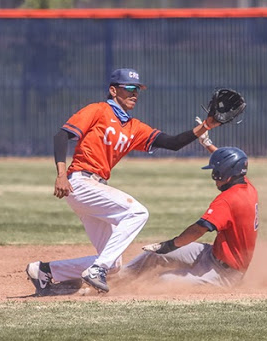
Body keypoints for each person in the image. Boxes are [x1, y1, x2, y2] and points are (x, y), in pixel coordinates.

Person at [25, 68, 222, 295]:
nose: (134, 94)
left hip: (95, 186)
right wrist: (60, 174)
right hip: (80, 182)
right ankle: (96, 269)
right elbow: (61, 135)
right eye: (129, 88)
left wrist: (206, 125)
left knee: (115, 264)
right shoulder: (97, 110)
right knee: (138, 213)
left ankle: (45, 271)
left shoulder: (133, 127)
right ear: (113, 90)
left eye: (137, 89)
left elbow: (173, 142)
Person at [122, 142, 259, 288]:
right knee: (155, 254)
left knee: (163, 281)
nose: (214, 177)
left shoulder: (228, 200)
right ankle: (116, 278)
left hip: (225, 274)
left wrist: (170, 245)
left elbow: (199, 229)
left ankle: (124, 289)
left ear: (227, 174)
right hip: (211, 254)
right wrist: (208, 145)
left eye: (217, 173)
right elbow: (232, 163)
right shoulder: (246, 185)